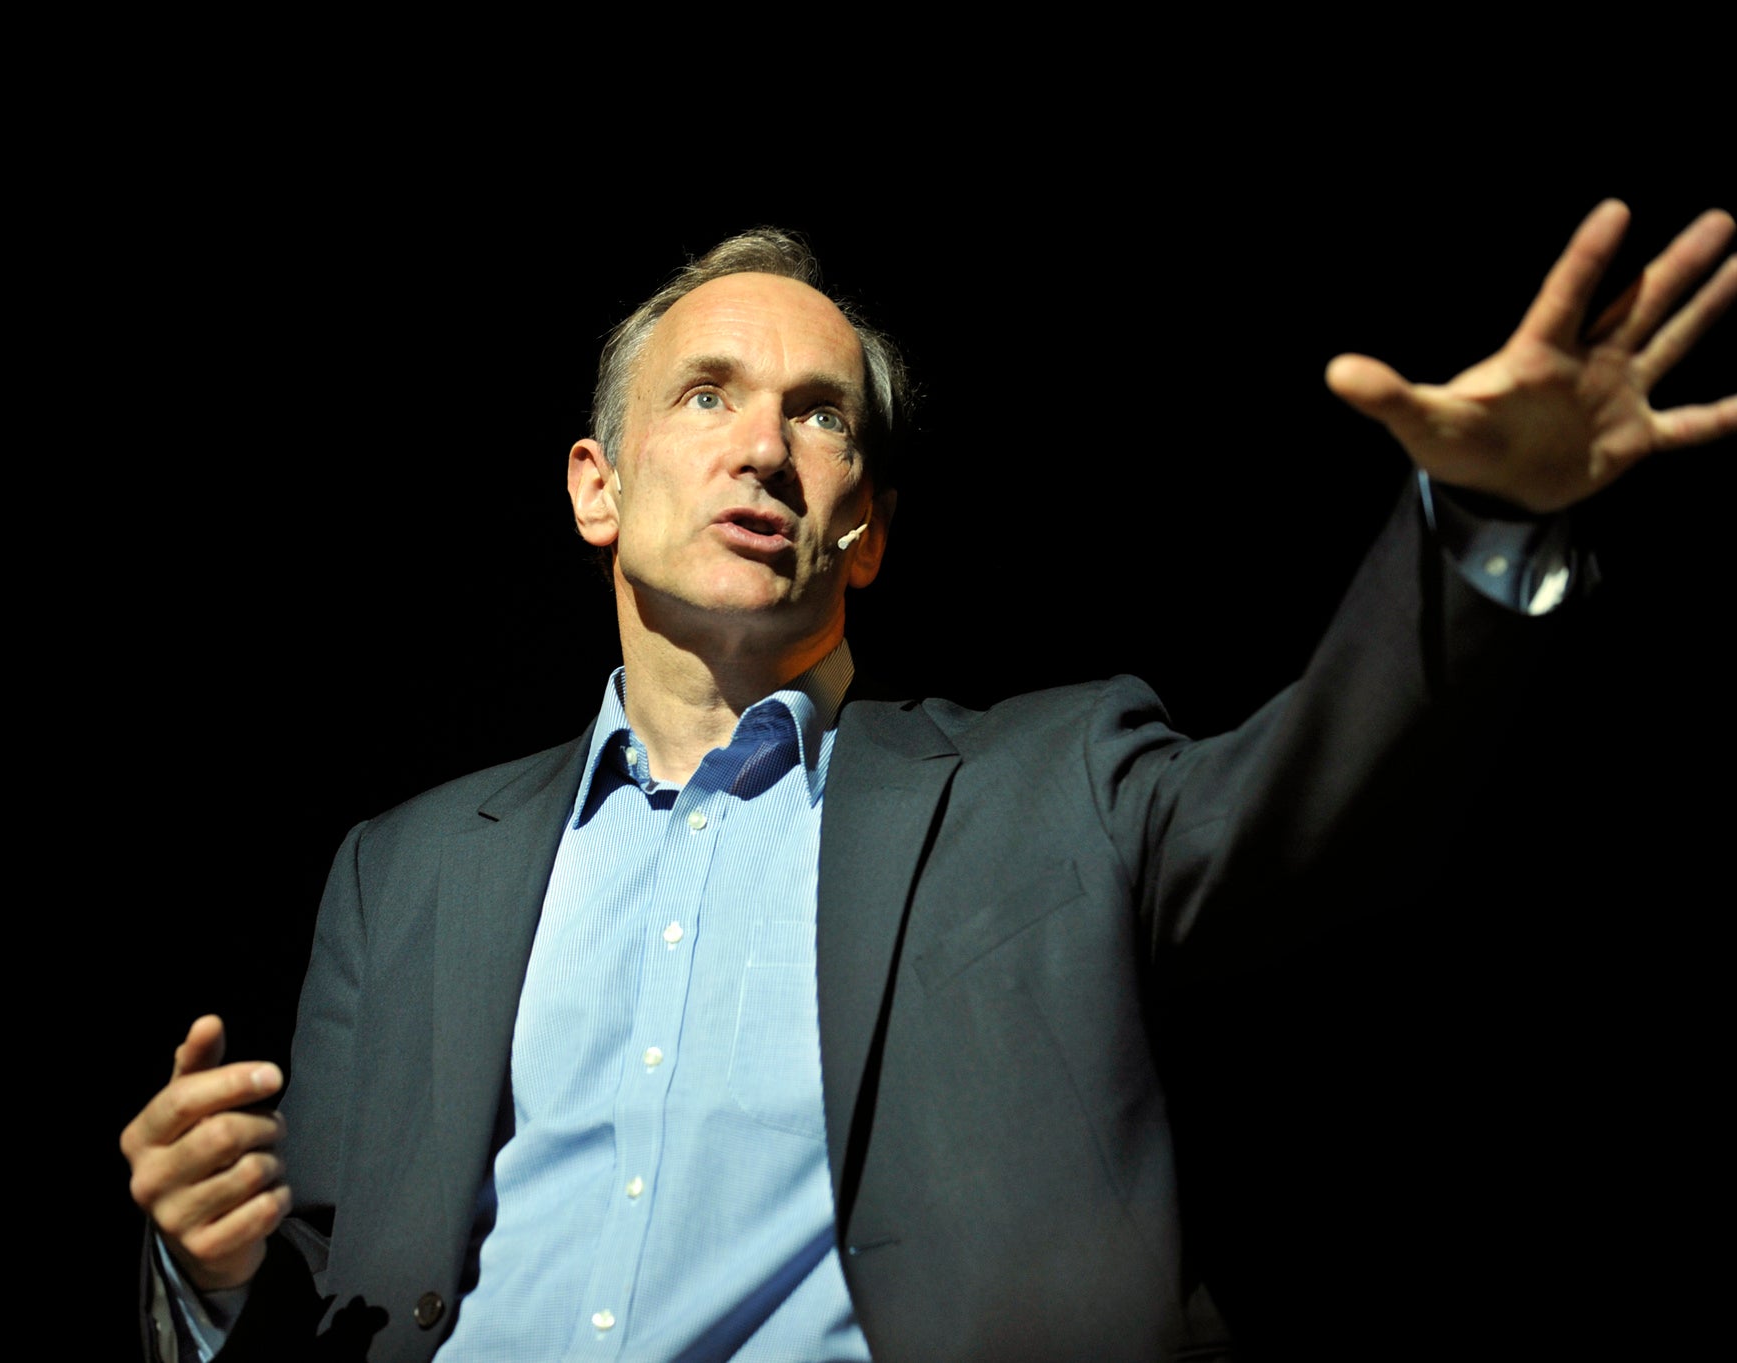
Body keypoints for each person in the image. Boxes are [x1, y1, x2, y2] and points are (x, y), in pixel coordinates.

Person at [121, 203, 1735, 1362]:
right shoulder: (401, 871)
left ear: (866, 528)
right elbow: (312, 1284)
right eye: (711, 398)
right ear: (595, 489)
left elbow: (1321, 805)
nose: (767, 448)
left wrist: (1487, 532)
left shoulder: (1053, 785)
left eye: (819, 417)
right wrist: (201, 1273)